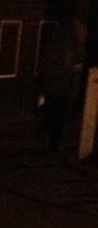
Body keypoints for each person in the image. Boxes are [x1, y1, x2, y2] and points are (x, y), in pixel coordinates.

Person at [37, 16, 86, 152]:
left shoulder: (54, 44)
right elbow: (74, 67)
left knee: (52, 114)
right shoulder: (73, 47)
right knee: (60, 117)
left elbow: (46, 66)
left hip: (53, 87)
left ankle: (49, 140)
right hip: (63, 88)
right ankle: (55, 143)